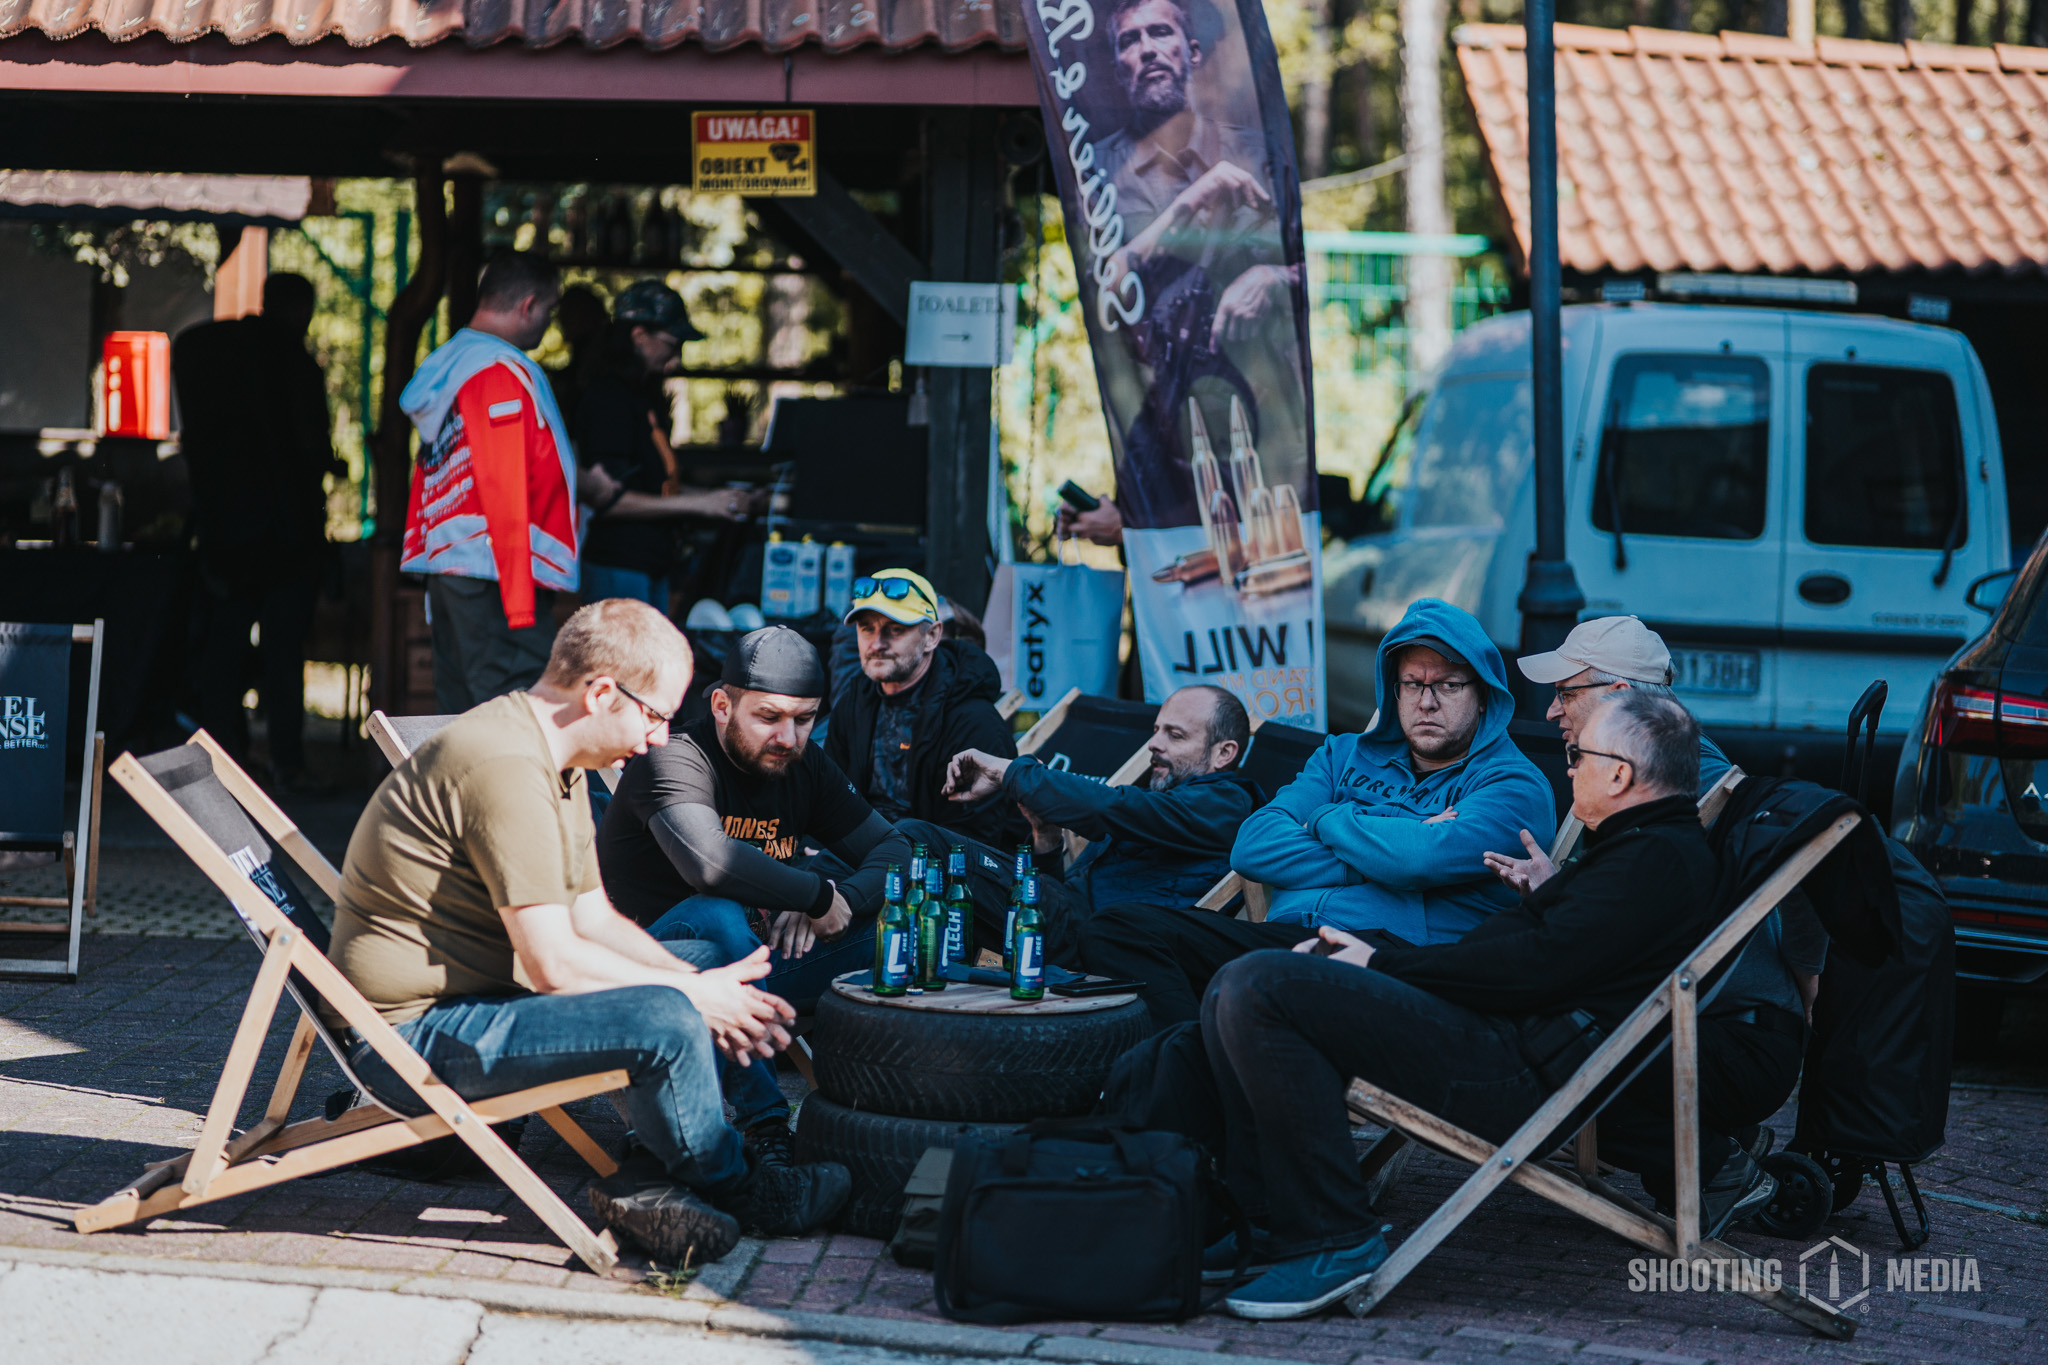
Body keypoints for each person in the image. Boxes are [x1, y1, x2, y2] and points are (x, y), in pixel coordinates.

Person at [1201, 690, 1773, 1321]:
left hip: (1519, 1076)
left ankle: (1334, 1239)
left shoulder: (1653, 859)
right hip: (1506, 1045)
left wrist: (1377, 964)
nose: (1569, 770)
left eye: (1579, 757)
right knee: (1235, 984)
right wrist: (1540, 901)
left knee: (1260, 986)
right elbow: (1540, 955)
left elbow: (1528, 970)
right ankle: (1268, 1222)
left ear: (1619, 775)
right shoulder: (1636, 850)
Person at [328, 600, 850, 1266]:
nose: (660, 738)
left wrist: (700, 980)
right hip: (412, 1037)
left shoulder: (554, 757)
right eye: (655, 715)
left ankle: (654, 1176)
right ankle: (742, 1187)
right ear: (603, 693)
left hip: (484, 1000)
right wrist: (691, 995)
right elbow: (553, 962)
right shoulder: (506, 767)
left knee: (701, 959)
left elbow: (594, 918)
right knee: (667, 1017)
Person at [1081, 599, 1556, 1027]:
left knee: (1251, 980)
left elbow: (1418, 861)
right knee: (1119, 930)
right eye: (1413, 684)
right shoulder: (1342, 755)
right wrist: (1392, 841)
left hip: (1392, 962)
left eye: (1448, 685)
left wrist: (1327, 818)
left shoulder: (1513, 784)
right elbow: (1252, 846)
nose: (1426, 702)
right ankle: (1195, 1052)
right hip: (1286, 938)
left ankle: (1194, 1059)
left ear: (1483, 694)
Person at [1502, 614, 1820, 1207]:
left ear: (1619, 695)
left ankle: (1719, 1165)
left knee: (1543, 1052)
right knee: (1539, 1032)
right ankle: (1723, 1144)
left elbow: (1801, 886)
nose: (1551, 711)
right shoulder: (1634, 765)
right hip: (1716, 1032)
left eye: (1566, 694)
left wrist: (1808, 1005)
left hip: (1731, 1043)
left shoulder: (1691, 785)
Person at [596, 626, 912, 1152]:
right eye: (769, 717)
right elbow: (709, 865)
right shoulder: (672, 757)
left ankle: (897, 1109)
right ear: (722, 706)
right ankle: (765, 1125)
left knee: (904, 920)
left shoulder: (804, 765)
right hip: (649, 969)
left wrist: (842, 902)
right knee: (717, 914)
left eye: (804, 720)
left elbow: (896, 848)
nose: (788, 737)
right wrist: (813, 894)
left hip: (757, 967)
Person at [929, 685, 1260, 965]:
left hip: (1098, 943)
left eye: (1175, 735)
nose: (1153, 743)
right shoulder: (1167, 799)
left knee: (929, 845)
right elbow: (1069, 892)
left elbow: (1112, 807)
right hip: (1054, 924)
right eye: (1156, 730)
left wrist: (1009, 772)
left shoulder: (1225, 804)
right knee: (925, 857)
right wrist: (1046, 836)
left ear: (1224, 753)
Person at [173, 271, 336, 788]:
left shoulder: (213, 353)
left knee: (224, 645)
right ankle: (287, 761)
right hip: (288, 531)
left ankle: (222, 755)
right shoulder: (295, 364)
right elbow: (310, 446)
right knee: (283, 651)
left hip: (227, 529)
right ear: (302, 309)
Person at [400, 253, 579, 712]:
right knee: (514, 706)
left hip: (455, 562)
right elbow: (503, 483)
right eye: (550, 310)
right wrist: (519, 602)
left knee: (462, 705)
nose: (549, 323)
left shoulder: (450, 364)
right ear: (529, 305)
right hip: (496, 571)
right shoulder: (499, 371)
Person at [575, 280, 757, 610]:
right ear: (639, 336)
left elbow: (653, 486)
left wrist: (717, 498)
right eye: (672, 344)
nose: (677, 355)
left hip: (652, 564)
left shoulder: (643, 396)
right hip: (620, 565)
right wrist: (700, 504)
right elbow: (609, 500)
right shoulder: (609, 400)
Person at [823, 569, 1020, 847]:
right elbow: (828, 798)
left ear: (932, 636)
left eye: (895, 629)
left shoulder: (974, 721)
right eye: (867, 628)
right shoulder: (853, 704)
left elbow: (973, 842)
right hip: (858, 857)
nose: (877, 644)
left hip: (936, 866)